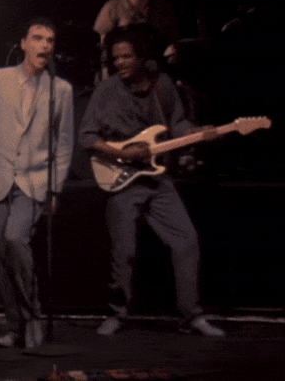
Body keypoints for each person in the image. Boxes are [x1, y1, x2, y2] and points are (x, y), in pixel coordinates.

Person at [77, 25, 225, 337]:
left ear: (143, 58)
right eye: (115, 58)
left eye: (126, 57)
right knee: (124, 251)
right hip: (121, 179)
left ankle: (191, 315)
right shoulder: (106, 90)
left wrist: (200, 133)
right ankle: (117, 313)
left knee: (186, 240)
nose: (119, 63)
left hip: (157, 179)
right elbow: (87, 136)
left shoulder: (163, 85)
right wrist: (122, 152)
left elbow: (177, 125)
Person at [0, 18, 75, 348]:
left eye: (50, 40)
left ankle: (33, 317)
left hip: (34, 181)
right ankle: (16, 326)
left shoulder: (61, 89)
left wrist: (55, 187)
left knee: (15, 238)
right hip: (0, 177)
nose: (45, 45)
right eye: (38, 38)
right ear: (24, 43)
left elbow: (64, 143)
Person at [93, 0, 178, 79]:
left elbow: (171, 38)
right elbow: (103, 47)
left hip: (154, 65)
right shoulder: (112, 7)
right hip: (121, 68)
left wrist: (172, 49)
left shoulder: (161, 8)